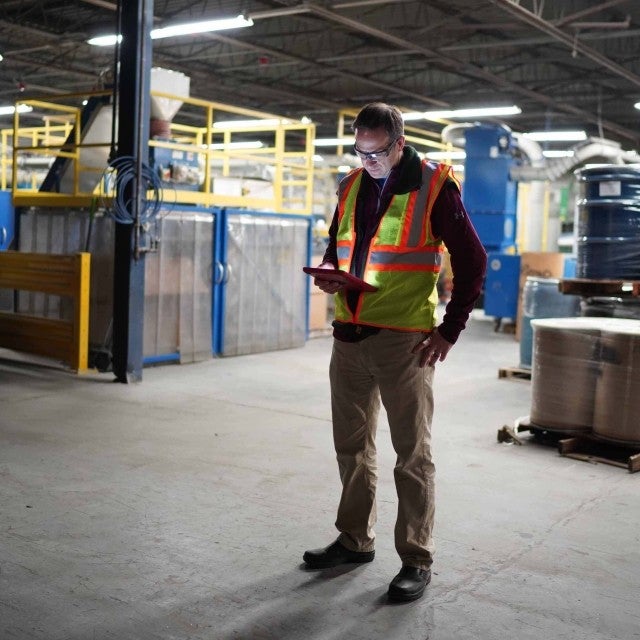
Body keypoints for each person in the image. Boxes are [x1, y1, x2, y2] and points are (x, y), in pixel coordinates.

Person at [303, 102, 487, 603]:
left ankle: (415, 559)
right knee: (352, 448)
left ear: (399, 142)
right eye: (360, 152)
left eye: (378, 152)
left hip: (404, 342)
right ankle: (354, 540)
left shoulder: (434, 186)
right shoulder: (350, 184)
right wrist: (327, 271)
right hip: (349, 337)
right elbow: (337, 243)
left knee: (412, 455)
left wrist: (450, 330)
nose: (369, 162)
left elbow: (473, 261)